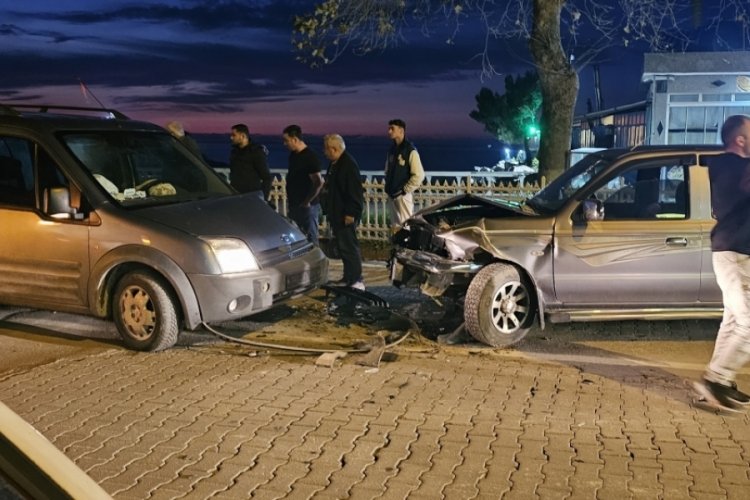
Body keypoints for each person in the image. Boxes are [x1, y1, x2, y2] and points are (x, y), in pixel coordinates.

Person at [693, 114, 750, 412]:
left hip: (731, 251)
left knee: (733, 321)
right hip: (737, 253)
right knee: (748, 323)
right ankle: (716, 380)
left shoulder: (728, 166)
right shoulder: (736, 168)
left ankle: (719, 383)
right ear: (740, 139)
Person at [322, 133, 365, 290]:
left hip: (345, 214)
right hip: (337, 213)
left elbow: (354, 192)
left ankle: (355, 279)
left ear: (333, 149)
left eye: (325, 149)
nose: (324, 152)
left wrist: (351, 213)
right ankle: (348, 277)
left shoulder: (347, 164)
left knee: (349, 247)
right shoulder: (336, 163)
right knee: (343, 247)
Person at [282, 125, 324, 245]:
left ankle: (315, 261)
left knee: (310, 238)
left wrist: (307, 201)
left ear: (295, 139)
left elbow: (318, 182)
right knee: (296, 237)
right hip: (295, 203)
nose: (285, 144)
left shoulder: (310, 157)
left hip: (306, 206)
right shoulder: (294, 155)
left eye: (286, 140)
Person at [384, 118, 425, 233]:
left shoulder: (410, 150)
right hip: (392, 195)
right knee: (395, 227)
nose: (389, 131)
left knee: (406, 226)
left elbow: (419, 175)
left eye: (392, 129)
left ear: (401, 131)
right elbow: (387, 170)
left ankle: (407, 250)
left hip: (402, 196)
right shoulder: (392, 150)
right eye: (389, 128)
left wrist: (405, 190)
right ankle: (398, 250)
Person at [229, 123, 272, 201]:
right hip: (236, 196)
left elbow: (267, 177)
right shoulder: (234, 152)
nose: (231, 137)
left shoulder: (256, 152)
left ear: (242, 136)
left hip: (251, 197)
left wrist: (263, 198)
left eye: (234, 135)